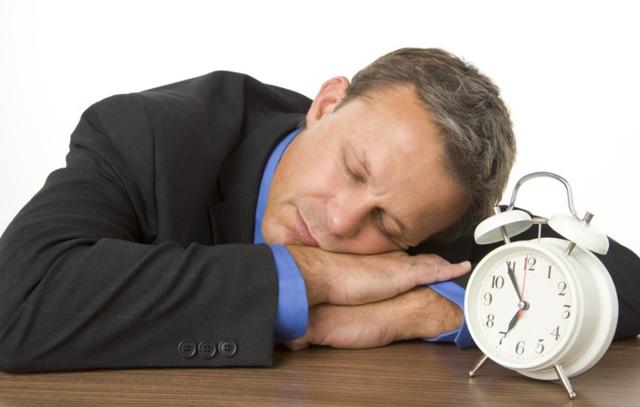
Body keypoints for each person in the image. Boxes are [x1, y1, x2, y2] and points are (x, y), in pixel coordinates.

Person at [0, 48, 637, 373]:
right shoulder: (151, 137)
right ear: (327, 105)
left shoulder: (430, 208)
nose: (339, 222)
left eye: (385, 225)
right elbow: (17, 302)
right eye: (354, 169)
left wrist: (429, 312)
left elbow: (623, 284)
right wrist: (316, 277)